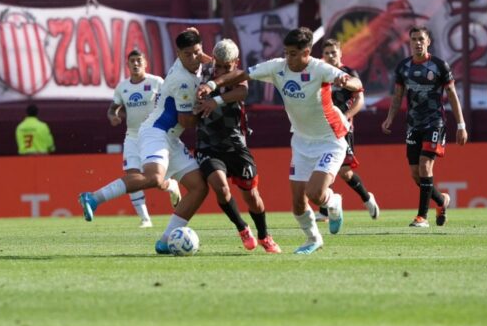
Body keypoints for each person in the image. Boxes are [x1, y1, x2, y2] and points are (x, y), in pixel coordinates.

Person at [197, 27, 363, 254]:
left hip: (330, 139)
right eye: (286, 52)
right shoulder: (277, 67)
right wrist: (212, 85)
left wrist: (346, 81)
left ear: (307, 53)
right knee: (297, 203)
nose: (289, 58)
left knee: (315, 194)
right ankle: (313, 239)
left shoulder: (320, 69)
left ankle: (334, 203)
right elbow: (242, 75)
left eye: (294, 53)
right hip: (301, 141)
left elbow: (355, 84)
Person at [79, 28, 209, 255]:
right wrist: (209, 108)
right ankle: (94, 197)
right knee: (154, 177)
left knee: (199, 187)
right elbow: (187, 122)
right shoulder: (182, 80)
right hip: (155, 132)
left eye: (197, 52)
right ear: (178, 54)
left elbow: (199, 54)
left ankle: (166, 240)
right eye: (188, 54)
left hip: (170, 138)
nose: (194, 58)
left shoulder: (189, 65)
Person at [194, 39, 281, 253]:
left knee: (253, 198)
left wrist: (216, 100)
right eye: (218, 65)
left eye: (226, 65)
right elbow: (193, 55)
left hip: (235, 145)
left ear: (236, 62)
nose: (221, 69)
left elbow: (242, 92)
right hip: (208, 145)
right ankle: (242, 228)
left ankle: (264, 235)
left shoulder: (239, 75)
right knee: (220, 188)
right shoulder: (203, 73)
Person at [382, 26, 468, 228]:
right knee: (415, 174)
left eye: (421, 39)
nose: (417, 42)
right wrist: (389, 118)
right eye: (413, 39)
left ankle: (422, 217)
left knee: (425, 165)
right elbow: (397, 96)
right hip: (413, 124)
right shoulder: (403, 67)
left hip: (434, 122)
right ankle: (441, 201)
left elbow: (453, 96)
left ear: (428, 41)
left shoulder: (439, 66)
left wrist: (461, 125)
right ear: (409, 42)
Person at [87, 49, 182, 228]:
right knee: (132, 176)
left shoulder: (156, 82)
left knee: (157, 182)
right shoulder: (123, 87)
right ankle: (145, 219)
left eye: (139, 60)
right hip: (132, 136)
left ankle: (171, 186)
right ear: (128, 64)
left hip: (155, 135)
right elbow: (112, 108)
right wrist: (113, 117)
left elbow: (171, 102)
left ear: (145, 63)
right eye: (132, 61)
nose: (136, 64)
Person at [315, 39, 380, 222]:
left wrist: (346, 116)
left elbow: (360, 99)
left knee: (344, 172)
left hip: (343, 128)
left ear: (340, 53)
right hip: (322, 127)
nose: (330, 56)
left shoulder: (348, 73)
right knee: (320, 165)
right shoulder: (320, 74)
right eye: (327, 53)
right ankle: (324, 211)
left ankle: (367, 198)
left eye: (333, 52)